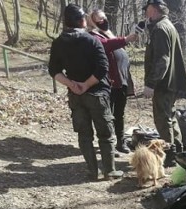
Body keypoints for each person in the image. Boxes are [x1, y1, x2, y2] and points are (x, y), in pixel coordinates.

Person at [48, 3, 122, 181]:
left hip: (76, 96)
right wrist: (86, 85)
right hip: (97, 93)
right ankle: (109, 171)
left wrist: (72, 84)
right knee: (105, 134)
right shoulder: (92, 40)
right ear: (82, 21)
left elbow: (53, 70)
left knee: (84, 134)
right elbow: (103, 68)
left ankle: (91, 171)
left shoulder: (58, 43)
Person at [143, 0, 186, 158]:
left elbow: (162, 60)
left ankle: (169, 155)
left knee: (163, 120)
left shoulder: (161, 29)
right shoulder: (166, 25)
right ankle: (178, 151)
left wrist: (151, 83)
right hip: (172, 81)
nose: (145, 11)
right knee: (170, 117)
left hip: (164, 83)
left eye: (148, 8)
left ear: (155, 10)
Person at [89, 9, 137, 154]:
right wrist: (126, 39)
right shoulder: (93, 36)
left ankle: (120, 142)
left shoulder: (110, 32)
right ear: (93, 22)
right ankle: (108, 144)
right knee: (107, 115)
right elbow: (106, 45)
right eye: (99, 19)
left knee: (120, 114)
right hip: (107, 82)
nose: (103, 21)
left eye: (104, 18)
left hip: (121, 81)